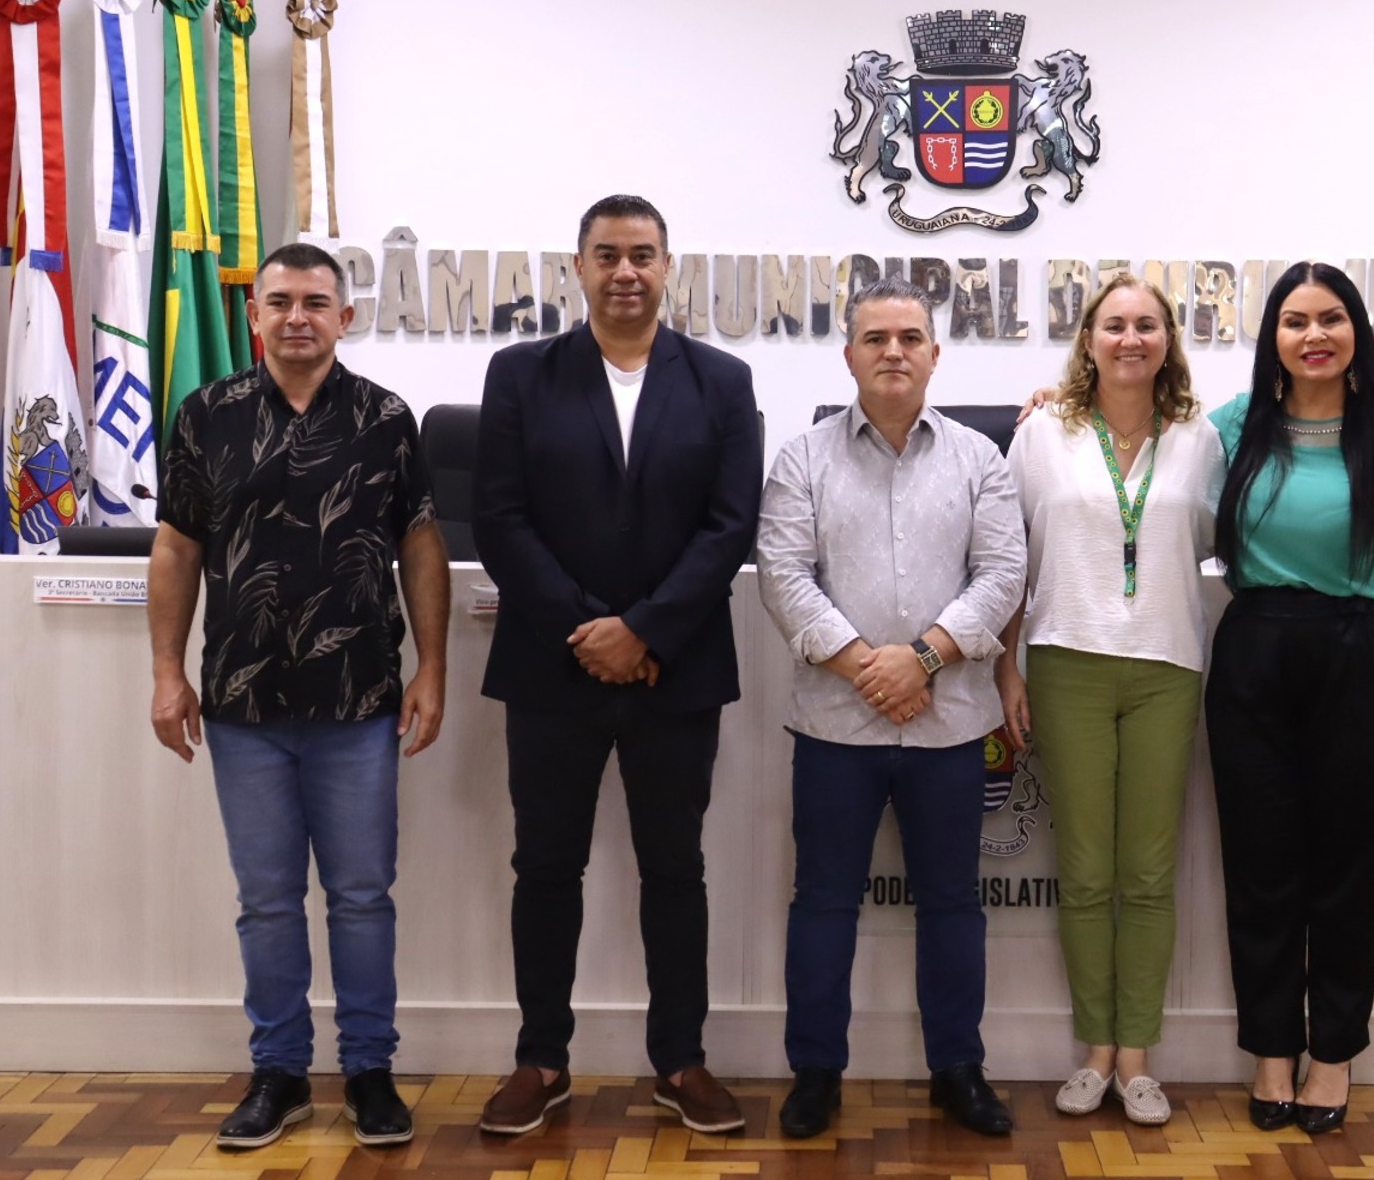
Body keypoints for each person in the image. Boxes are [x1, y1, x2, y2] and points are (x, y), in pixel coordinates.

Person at [148, 242, 450, 1150]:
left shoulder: (386, 419)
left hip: (359, 700)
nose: (296, 317)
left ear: (345, 317)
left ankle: (369, 1071)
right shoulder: (206, 415)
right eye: (279, 301)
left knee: (361, 895)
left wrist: (433, 666)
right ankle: (278, 1071)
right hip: (243, 705)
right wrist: (166, 671)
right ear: (254, 315)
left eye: (316, 302)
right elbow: (176, 548)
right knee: (268, 900)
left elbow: (420, 546)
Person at [472, 195, 761, 1136]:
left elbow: (731, 525)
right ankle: (541, 1060)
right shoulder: (522, 374)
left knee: (675, 869)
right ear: (580, 267)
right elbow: (499, 518)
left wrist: (644, 631)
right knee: (544, 867)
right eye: (608, 255)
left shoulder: (722, 381)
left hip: (675, 670)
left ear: (668, 266)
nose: (625, 271)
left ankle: (681, 1059)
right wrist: (590, 630)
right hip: (552, 669)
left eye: (642, 254)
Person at [757, 277, 1026, 1138]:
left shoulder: (980, 460)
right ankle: (816, 1072)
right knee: (824, 902)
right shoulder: (801, 458)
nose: (894, 352)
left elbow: (1003, 575)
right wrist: (868, 667)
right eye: (876, 338)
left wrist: (922, 659)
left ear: (935, 353)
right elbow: (783, 575)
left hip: (950, 725)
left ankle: (958, 1068)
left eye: (910, 337)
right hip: (834, 725)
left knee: (952, 903)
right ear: (849, 355)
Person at [1206, 261, 1374, 1135]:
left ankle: (1334, 1053)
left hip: (1359, 654)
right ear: (1272, 336)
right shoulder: (1232, 426)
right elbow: (1139, 451)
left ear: (1356, 333)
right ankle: (1272, 1048)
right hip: (1254, 651)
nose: (1314, 335)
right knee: (1260, 867)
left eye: (1331, 318)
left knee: (1350, 871)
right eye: (1295, 320)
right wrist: (1059, 403)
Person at [995, 272, 1224, 1125]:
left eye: (1147, 325)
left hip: (1167, 663)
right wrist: (1007, 667)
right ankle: (1095, 1050)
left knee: (1150, 874)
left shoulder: (1201, 435)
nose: (1131, 339)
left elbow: (1211, 538)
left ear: (1168, 341)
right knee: (1087, 872)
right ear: (1088, 339)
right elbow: (1009, 555)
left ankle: (1138, 1059)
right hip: (1067, 660)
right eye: (1115, 324)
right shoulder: (1041, 432)